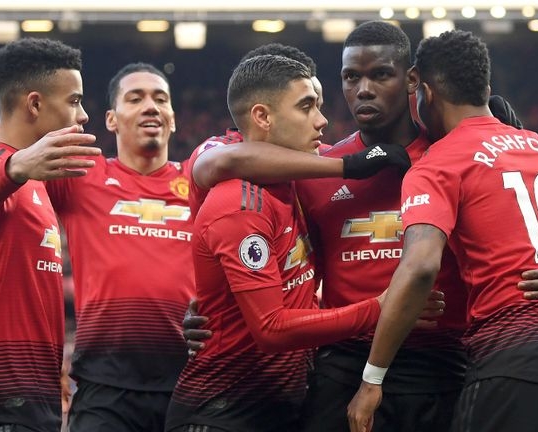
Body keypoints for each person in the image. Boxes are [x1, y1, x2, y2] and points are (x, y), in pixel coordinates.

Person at [184, 21, 538, 432]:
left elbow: (529, 238)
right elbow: (217, 170)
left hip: (443, 366)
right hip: (345, 367)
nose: (363, 89)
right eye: (351, 77)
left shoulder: (458, 157)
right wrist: (209, 303)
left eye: (381, 74)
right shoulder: (312, 167)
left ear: (412, 80)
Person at [0, 1, 194, 430]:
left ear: (175, 117)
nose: (151, 107)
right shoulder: (77, 173)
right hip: (101, 389)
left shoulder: (199, 178)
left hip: (183, 379)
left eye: (161, 98)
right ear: (111, 119)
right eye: (135, 98)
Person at [346, 29, 538, 432]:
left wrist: (372, 378)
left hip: (514, 358)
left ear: (426, 91)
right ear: (485, 89)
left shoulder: (440, 161)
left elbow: (420, 267)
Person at [164, 54, 408, 432]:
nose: (322, 120)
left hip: (281, 404)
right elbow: (272, 327)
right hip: (224, 411)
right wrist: (381, 308)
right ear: (263, 117)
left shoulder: (295, 179)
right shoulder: (238, 201)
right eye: (306, 106)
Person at [0, 33, 101, 432]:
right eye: (74, 101)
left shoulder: (33, 180)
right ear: (35, 104)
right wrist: (16, 167)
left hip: (30, 395)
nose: (83, 115)